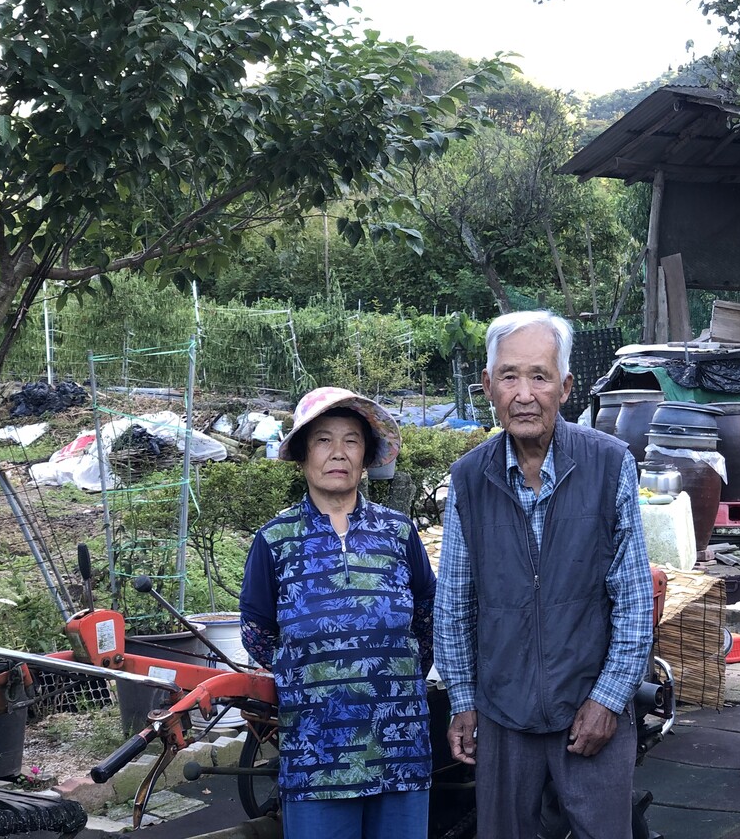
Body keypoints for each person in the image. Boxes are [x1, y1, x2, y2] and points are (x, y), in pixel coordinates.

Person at [434, 310, 656, 839]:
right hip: (502, 711)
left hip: (590, 705)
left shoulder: (609, 464)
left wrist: (608, 699)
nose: (525, 393)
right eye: (509, 376)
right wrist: (463, 700)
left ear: (566, 387)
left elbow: (633, 600)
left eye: (540, 376)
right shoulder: (469, 479)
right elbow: (454, 604)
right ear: (488, 387)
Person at [240, 386, 436, 839]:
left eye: (351, 440)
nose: (338, 453)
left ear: (366, 457)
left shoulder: (397, 533)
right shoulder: (275, 540)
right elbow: (256, 631)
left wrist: (395, 675)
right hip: (317, 753)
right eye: (323, 440)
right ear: (304, 454)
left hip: (399, 746)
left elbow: (426, 614)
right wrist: (309, 677)